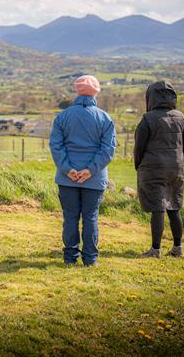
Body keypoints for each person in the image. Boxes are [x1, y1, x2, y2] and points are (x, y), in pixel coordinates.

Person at [49, 75, 116, 266]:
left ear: (77, 90)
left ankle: (70, 257)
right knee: (91, 217)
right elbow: (108, 149)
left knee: (70, 217)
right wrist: (90, 170)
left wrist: (68, 169)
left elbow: (56, 146)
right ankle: (90, 259)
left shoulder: (62, 117)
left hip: (67, 177)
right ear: (96, 92)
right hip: (94, 178)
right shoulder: (104, 118)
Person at [134, 81, 184, 258]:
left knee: (158, 208)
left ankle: (155, 249)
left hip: (153, 169)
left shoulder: (147, 119)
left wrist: (138, 165)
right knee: (174, 207)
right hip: (175, 169)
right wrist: (178, 161)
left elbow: (139, 147)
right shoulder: (181, 118)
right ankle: (178, 248)